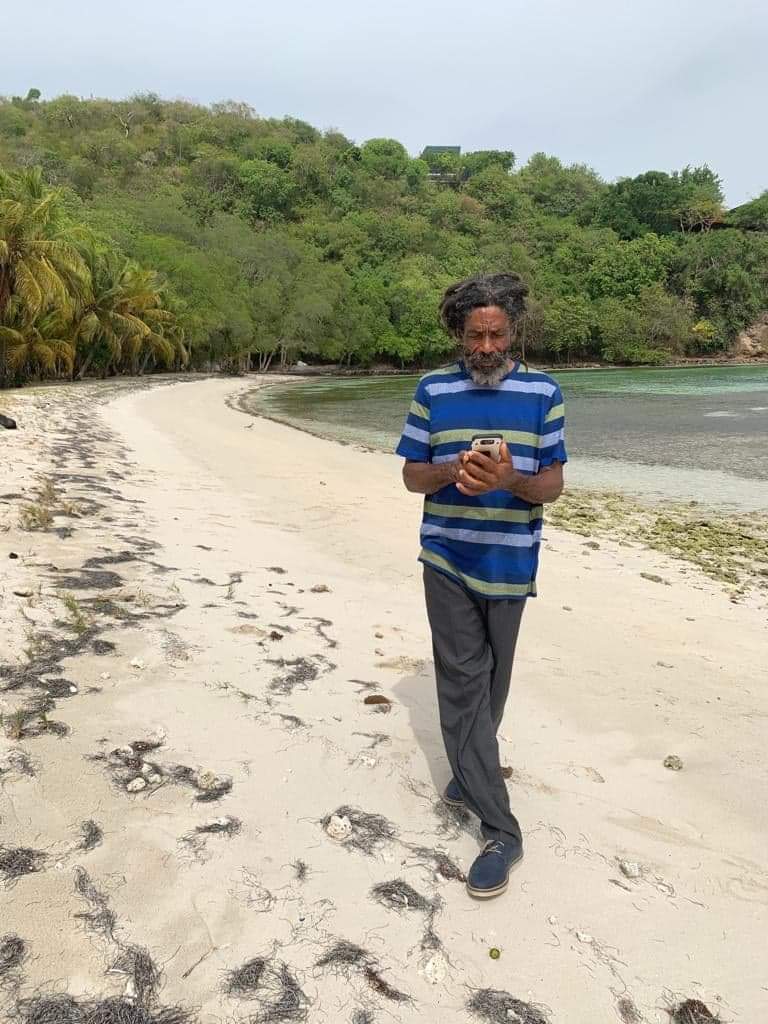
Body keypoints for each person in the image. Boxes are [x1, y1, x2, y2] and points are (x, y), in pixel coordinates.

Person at [396, 272, 567, 899]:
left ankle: (469, 773)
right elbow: (414, 476)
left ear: (514, 331)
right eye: (476, 335)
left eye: (497, 334)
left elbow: (551, 484)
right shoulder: (432, 390)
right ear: (458, 334)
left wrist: (510, 481)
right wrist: (454, 470)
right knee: (463, 682)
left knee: (493, 684)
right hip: (446, 556)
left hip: (512, 562)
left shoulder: (544, 391)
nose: (487, 347)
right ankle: (501, 831)